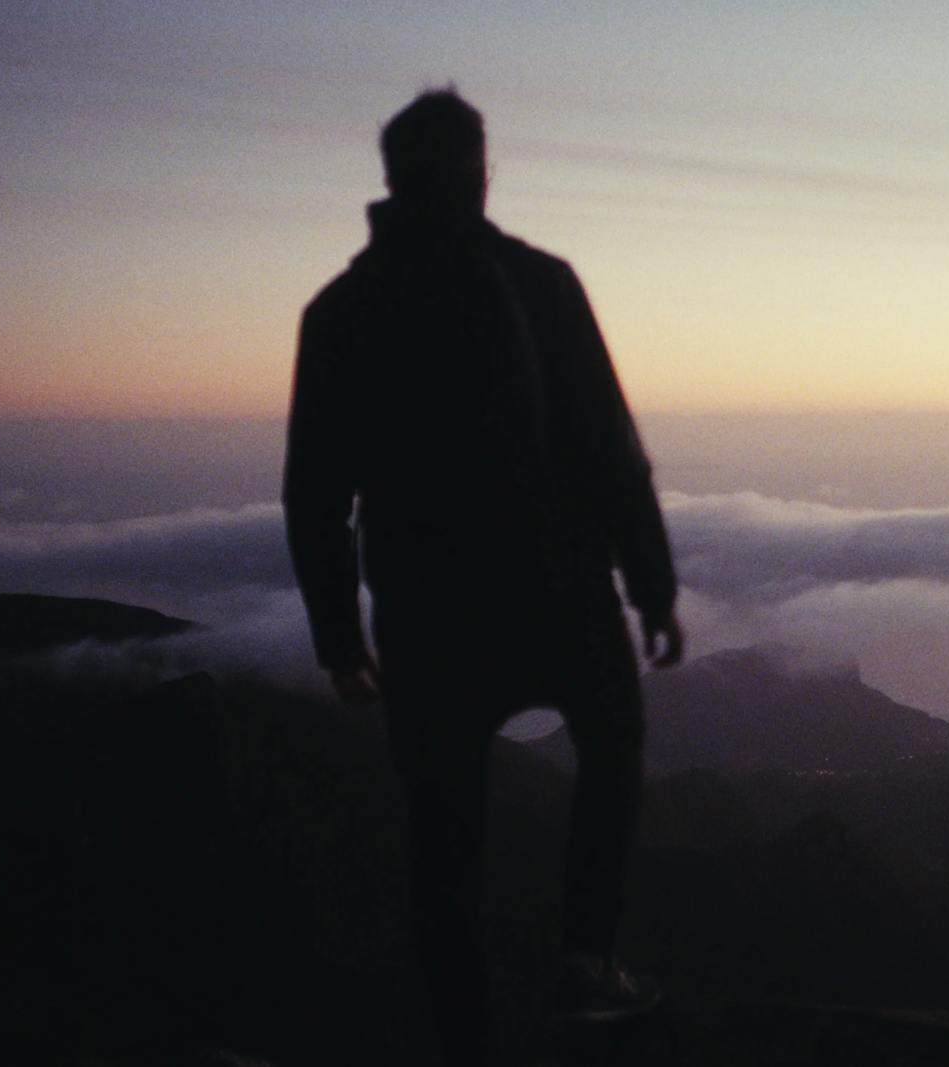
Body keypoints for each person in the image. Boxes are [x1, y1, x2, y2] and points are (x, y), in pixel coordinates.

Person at [283, 88, 683, 1061]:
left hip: (428, 616)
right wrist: (651, 582)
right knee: (613, 742)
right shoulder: (541, 282)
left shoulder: (340, 310)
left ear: (390, 176)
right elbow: (606, 441)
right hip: (561, 588)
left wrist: (342, 637)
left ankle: (461, 1036)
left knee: (443, 834)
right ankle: (586, 965)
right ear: (480, 169)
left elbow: (314, 493)